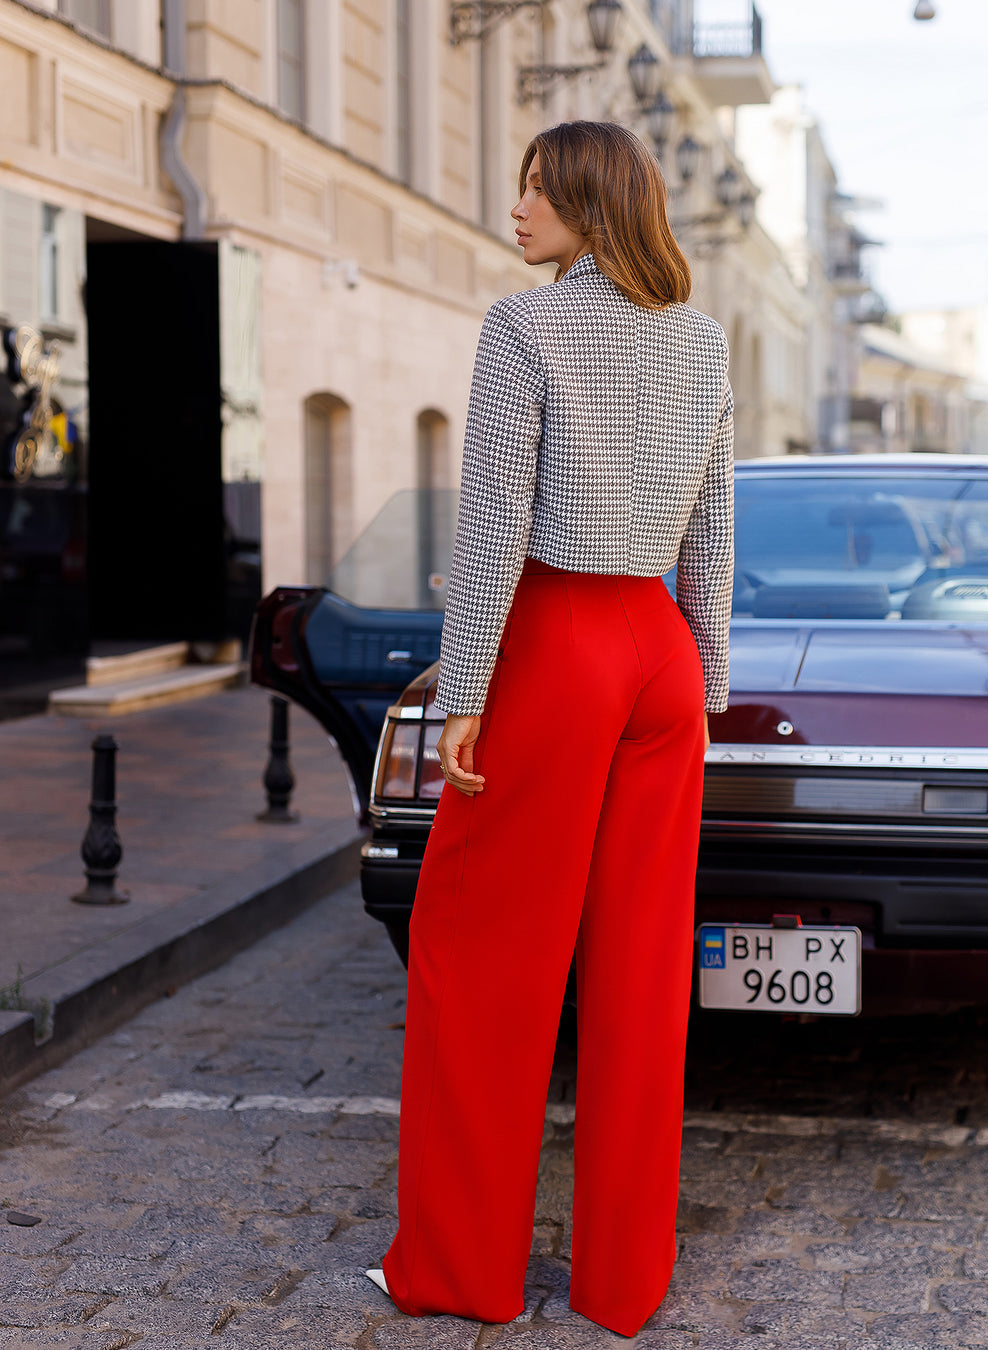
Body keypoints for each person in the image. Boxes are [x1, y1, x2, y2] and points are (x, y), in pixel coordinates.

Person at [366, 120, 734, 1338]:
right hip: (660, 656)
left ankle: (460, 1273)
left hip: (560, 646)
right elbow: (714, 526)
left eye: (537, 188)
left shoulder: (525, 327)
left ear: (588, 201)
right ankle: (621, 1285)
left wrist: (462, 686)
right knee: (639, 969)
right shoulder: (700, 337)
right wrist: (710, 671)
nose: (517, 207)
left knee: (479, 954)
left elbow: (492, 522)